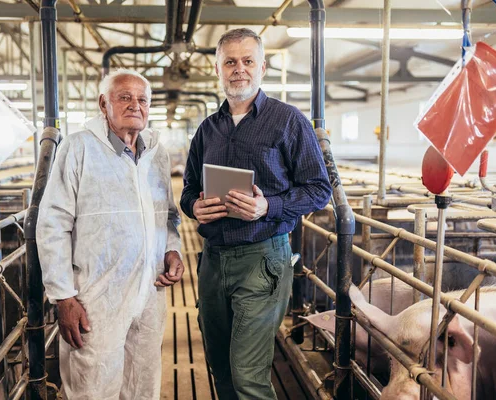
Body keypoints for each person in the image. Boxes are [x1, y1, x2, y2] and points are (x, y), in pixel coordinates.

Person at [180, 28, 332, 399]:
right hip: (213, 262)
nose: (239, 69)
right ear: (217, 69)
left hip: (261, 258)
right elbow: (187, 190)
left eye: (248, 60)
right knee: (220, 366)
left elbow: (319, 188)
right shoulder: (208, 129)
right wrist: (194, 207)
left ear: (262, 66)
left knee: (248, 376)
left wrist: (269, 206)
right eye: (230, 62)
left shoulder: (287, 121)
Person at [36, 69, 184, 400]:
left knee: (142, 383)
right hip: (96, 296)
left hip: (149, 291)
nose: (136, 105)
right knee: (94, 386)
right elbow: (53, 222)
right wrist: (63, 296)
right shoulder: (79, 148)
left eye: (142, 99)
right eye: (125, 97)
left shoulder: (156, 154)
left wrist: (172, 251)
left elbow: (168, 215)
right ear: (104, 104)